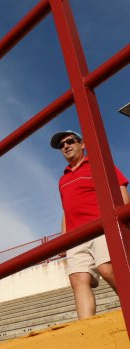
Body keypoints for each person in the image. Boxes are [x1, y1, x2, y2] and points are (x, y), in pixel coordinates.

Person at [51, 130, 130, 319]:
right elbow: (67, 209)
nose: (66, 146)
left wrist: (123, 217)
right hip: (76, 235)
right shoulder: (63, 179)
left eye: (70, 141)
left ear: (82, 144)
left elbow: (120, 187)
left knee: (108, 268)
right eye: (61, 145)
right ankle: (85, 329)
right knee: (78, 279)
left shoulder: (98, 165)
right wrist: (64, 237)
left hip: (102, 226)